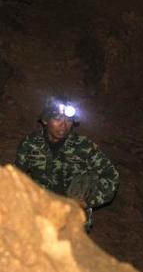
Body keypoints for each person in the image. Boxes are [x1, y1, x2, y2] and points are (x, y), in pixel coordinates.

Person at [15, 95, 119, 231]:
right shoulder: (30, 144)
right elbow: (16, 177)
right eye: (57, 119)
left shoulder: (84, 147)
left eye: (68, 120)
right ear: (45, 121)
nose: (64, 125)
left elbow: (111, 176)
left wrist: (86, 201)